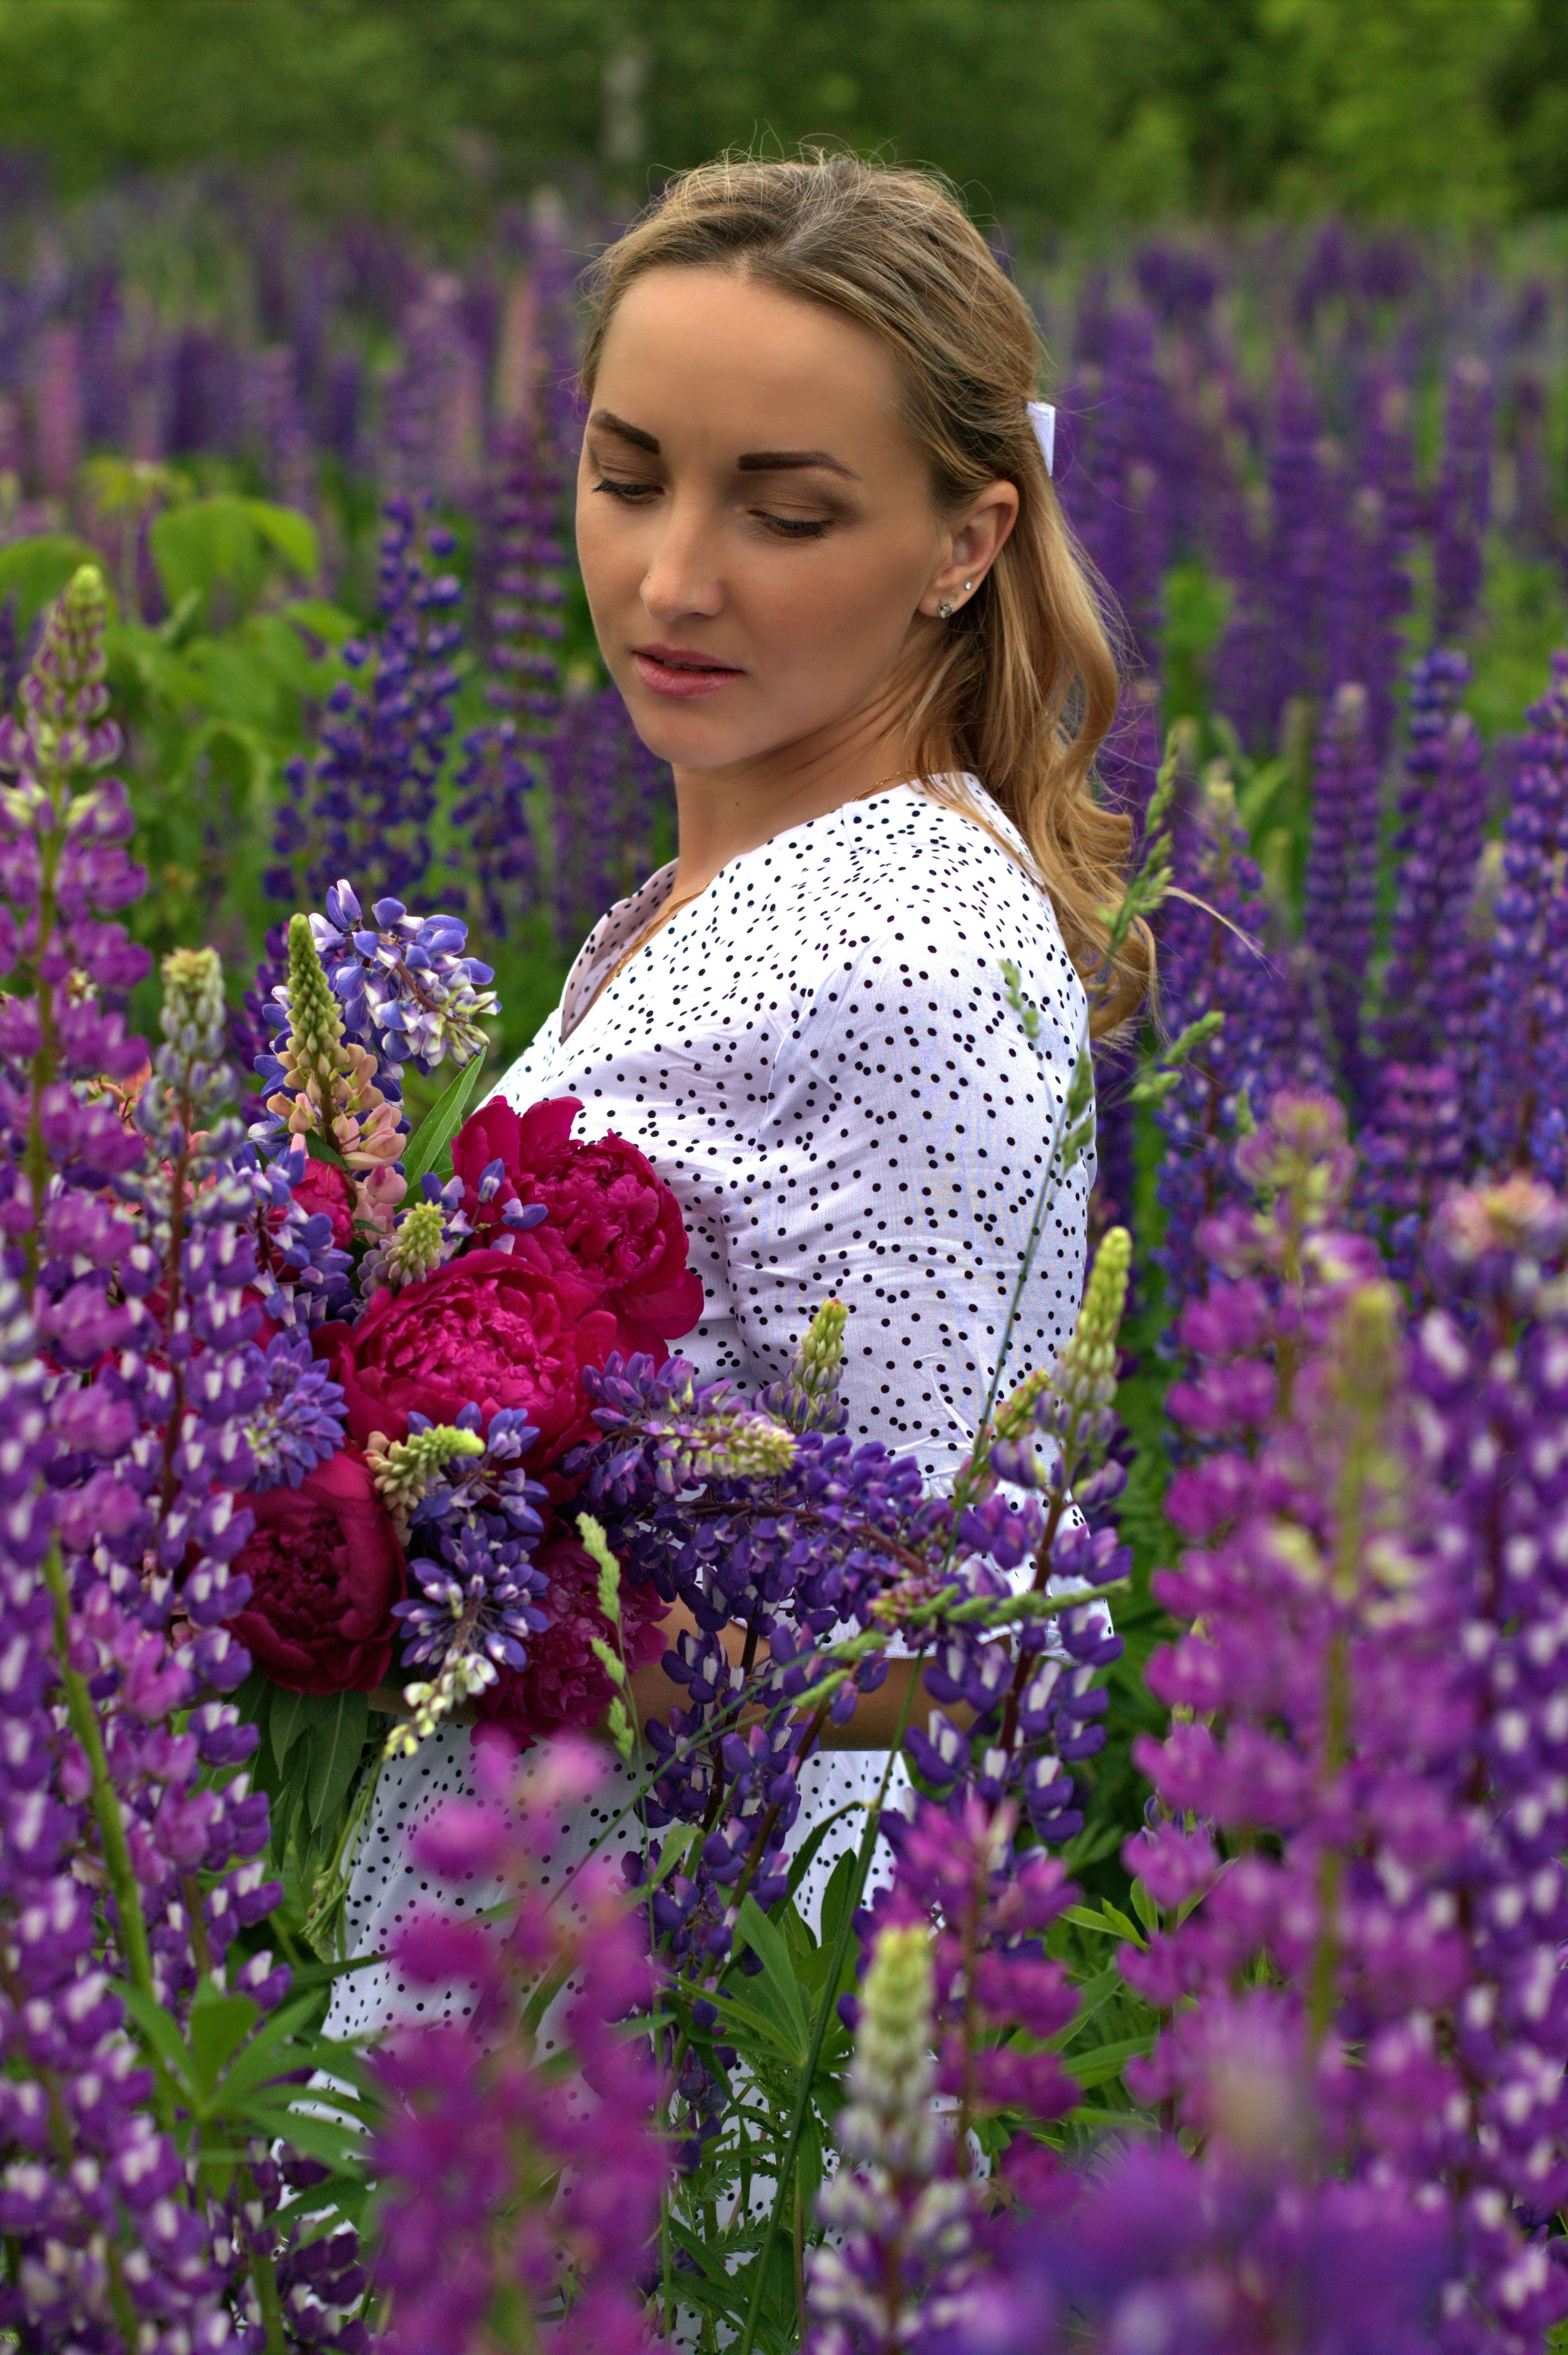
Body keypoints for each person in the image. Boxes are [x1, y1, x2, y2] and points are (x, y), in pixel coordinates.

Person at [328, 150, 1148, 2047]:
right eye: (626, 479)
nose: (669, 576)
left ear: (965, 544)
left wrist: (403, 1566)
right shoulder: (765, 868)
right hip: (510, 1918)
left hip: (669, 2003)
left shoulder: (916, 943)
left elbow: (931, 1632)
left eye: (784, 513)